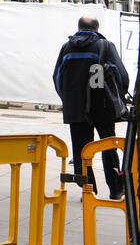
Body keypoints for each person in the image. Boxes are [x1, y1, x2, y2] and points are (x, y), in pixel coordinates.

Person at [53, 16, 129, 198]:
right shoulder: (105, 46)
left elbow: (57, 77)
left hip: (76, 108)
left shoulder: (66, 48)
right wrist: (118, 97)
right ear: (97, 28)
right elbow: (122, 76)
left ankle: (88, 190)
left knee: (81, 151)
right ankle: (116, 189)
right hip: (102, 106)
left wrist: (68, 100)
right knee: (108, 147)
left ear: (79, 27)